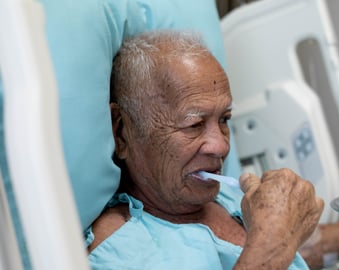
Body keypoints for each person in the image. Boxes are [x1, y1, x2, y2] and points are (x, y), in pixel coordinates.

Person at [85, 30, 324, 270]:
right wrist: (272, 244)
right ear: (122, 132)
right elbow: (274, 248)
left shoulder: (226, 200)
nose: (221, 146)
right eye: (194, 125)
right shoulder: (118, 253)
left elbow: (298, 250)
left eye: (224, 119)